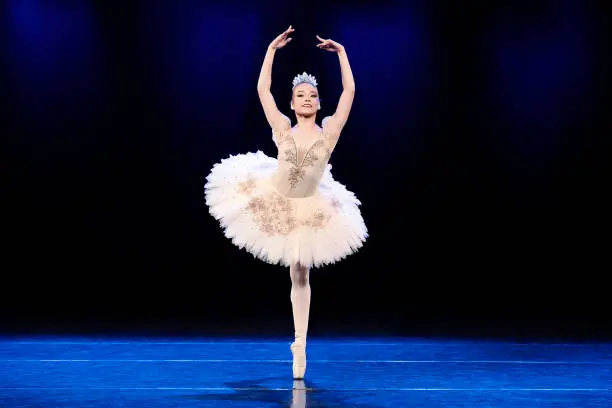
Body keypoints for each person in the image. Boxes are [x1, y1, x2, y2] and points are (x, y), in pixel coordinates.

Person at [204, 25, 367, 379]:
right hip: (275, 197)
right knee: (296, 270)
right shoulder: (281, 127)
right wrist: (271, 50)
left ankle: (300, 344)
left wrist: (341, 54)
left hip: (310, 205)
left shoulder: (330, 130)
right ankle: (298, 342)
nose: (307, 98)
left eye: (312, 95)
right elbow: (262, 89)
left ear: (319, 103)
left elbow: (350, 91)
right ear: (292, 104)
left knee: (300, 270)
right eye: (300, 95)